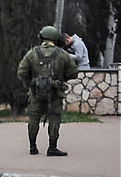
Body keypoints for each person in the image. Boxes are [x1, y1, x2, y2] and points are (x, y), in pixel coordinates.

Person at [17, 25, 79, 156]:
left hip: (35, 93)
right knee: (54, 118)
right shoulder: (62, 54)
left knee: (34, 118)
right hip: (55, 94)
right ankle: (52, 148)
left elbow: (21, 72)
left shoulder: (32, 53)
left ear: (42, 38)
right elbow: (73, 72)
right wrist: (61, 80)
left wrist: (31, 84)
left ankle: (33, 147)